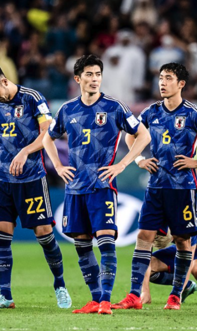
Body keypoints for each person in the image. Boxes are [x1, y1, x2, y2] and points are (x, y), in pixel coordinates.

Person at [112, 62, 197, 310]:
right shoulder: (150, 112)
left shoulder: (194, 113)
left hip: (183, 188)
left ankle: (176, 296)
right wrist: (140, 159)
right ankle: (135, 296)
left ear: (181, 84)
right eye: (160, 78)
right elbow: (130, 134)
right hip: (155, 186)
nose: (162, 83)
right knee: (143, 236)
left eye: (168, 78)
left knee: (183, 241)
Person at [43, 54, 151, 315]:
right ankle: (95, 299)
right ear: (78, 78)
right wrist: (57, 166)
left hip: (102, 186)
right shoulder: (67, 109)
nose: (94, 79)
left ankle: (105, 301)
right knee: (81, 244)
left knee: (105, 243)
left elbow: (143, 135)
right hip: (75, 188)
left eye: (98, 74)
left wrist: (122, 165)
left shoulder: (114, 107)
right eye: (89, 74)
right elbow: (47, 138)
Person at [0, 63, 71, 310]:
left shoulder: (32, 98)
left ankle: (60, 285)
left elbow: (48, 134)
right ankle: (5, 296)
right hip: (3, 181)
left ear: (4, 81)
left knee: (44, 235)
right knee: (1, 235)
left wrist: (24, 152)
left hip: (32, 179)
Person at [140, 211, 197, 305]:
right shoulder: (152, 220)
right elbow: (144, 258)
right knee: (149, 267)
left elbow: (188, 262)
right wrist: (145, 293)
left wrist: (177, 293)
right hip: (181, 247)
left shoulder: (189, 224)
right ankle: (188, 286)